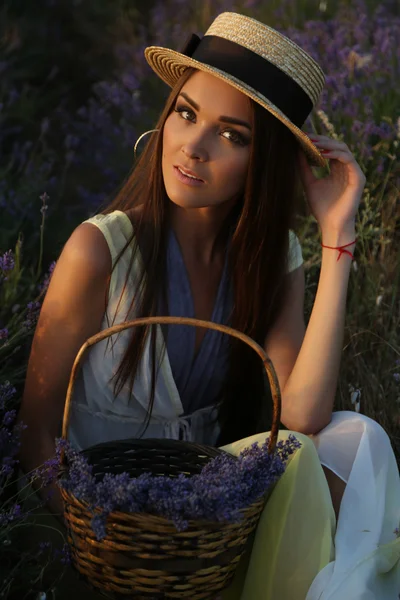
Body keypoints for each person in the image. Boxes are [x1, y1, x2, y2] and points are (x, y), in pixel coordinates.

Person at [18, 11, 400, 600]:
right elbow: (36, 435)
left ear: (263, 162)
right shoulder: (99, 251)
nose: (192, 147)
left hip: (210, 533)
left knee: (358, 438)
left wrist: (337, 236)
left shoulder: (274, 260)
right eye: (186, 113)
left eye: (232, 135)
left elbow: (300, 417)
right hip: (109, 541)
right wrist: (98, 544)